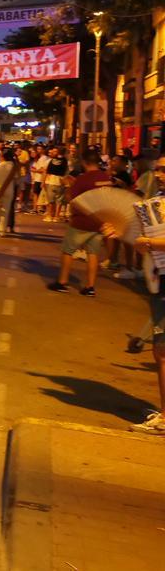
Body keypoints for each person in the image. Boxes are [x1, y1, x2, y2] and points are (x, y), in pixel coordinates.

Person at [111, 156, 165, 434]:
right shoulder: (158, 201)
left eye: (164, 170)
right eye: (158, 169)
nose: (159, 174)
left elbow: (154, 239)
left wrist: (149, 242)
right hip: (159, 279)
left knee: (163, 351)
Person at [48, 150, 112, 297]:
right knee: (93, 254)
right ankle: (90, 287)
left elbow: (72, 198)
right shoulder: (106, 178)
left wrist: (69, 185)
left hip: (81, 221)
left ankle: (62, 282)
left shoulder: (83, 179)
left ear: (85, 162)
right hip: (99, 222)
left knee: (68, 251)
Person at [44, 146, 68, 222]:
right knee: (59, 200)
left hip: (51, 181)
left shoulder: (52, 160)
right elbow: (65, 171)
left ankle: (50, 215)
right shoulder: (65, 161)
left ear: (57, 152)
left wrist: (44, 181)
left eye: (55, 151)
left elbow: (48, 171)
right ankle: (56, 217)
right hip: (60, 181)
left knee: (51, 200)